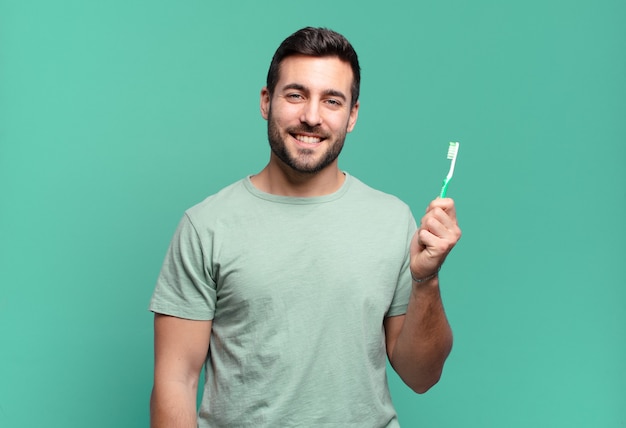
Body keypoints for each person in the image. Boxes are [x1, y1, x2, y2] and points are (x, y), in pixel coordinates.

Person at [149, 27, 461, 428]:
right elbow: (176, 380)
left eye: (332, 101)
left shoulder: (392, 220)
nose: (311, 117)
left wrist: (427, 280)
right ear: (267, 101)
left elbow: (422, 376)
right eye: (296, 95)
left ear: (352, 116)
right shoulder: (206, 226)